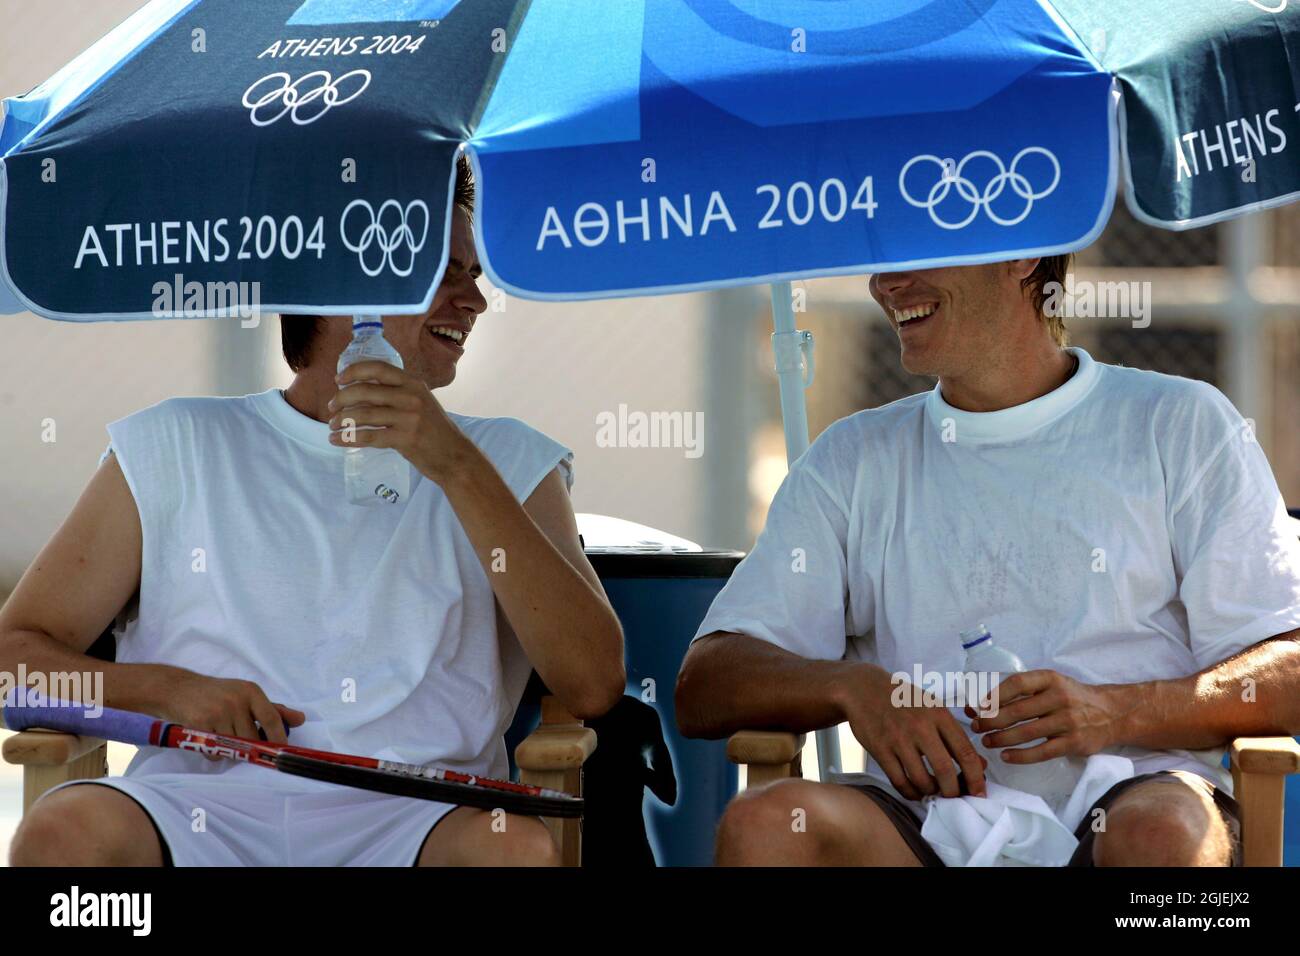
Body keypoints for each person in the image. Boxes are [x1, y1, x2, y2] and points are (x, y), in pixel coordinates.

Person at [2, 156, 625, 867]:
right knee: (62, 838)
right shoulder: (173, 443)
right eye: (444, 273)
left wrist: (454, 466)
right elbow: (12, 664)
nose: (474, 300)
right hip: (196, 812)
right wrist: (164, 690)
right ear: (343, 279)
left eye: (473, 275)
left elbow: (594, 683)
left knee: (511, 851)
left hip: (417, 820)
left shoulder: (509, 459)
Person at [675, 255, 1300, 867]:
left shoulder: (1181, 423)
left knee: (1163, 833)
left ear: (1023, 255)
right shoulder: (851, 457)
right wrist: (853, 687)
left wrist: (1116, 711)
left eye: (920, 250)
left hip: (1139, 795)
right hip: (921, 818)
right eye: (881, 257)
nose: (886, 284)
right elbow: (706, 685)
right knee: (766, 824)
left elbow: (1289, 669)